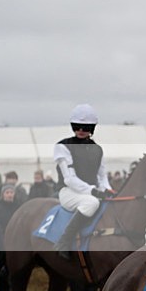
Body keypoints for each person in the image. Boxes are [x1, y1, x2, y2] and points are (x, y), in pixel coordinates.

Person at [53, 104, 114, 259]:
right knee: (91, 203)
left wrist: (107, 189)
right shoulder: (62, 146)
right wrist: (93, 191)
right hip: (68, 192)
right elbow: (69, 179)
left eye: (84, 127)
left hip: (90, 192)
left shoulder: (98, 149)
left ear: (91, 129)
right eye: (77, 127)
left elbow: (102, 176)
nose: (80, 130)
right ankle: (64, 241)